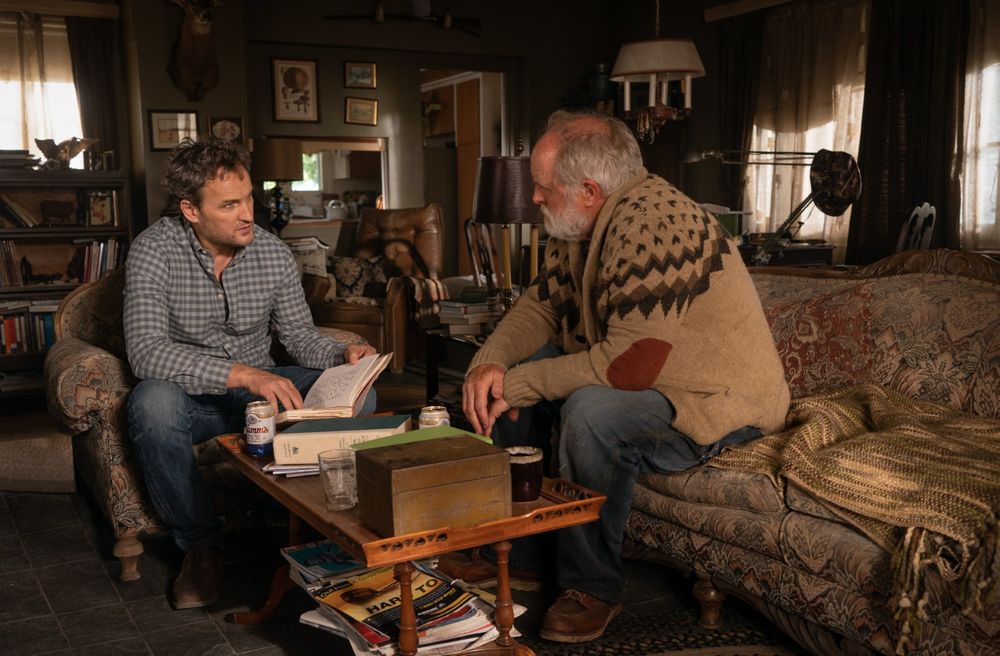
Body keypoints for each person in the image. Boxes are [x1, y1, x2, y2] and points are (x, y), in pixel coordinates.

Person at [438, 110, 790, 643]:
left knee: (591, 411)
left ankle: (593, 587)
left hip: (718, 403)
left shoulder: (654, 223)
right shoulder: (578, 224)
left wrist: (516, 385)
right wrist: (491, 362)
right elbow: (541, 305)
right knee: (517, 374)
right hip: (657, 385)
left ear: (588, 190)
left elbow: (627, 367)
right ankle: (520, 556)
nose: (534, 197)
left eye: (543, 186)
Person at [123, 136, 376, 610]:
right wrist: (242, 374)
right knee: (150, 401)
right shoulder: (153, 250)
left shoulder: (273, 253)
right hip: (188, 402)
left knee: (361, 396)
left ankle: (307, 525)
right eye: (229, 205)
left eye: (248, 199)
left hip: (261, 398)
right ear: (190, 210)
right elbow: (146, 353)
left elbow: (300, 338)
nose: (247, 215)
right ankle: (201, 548)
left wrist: (342, 355)